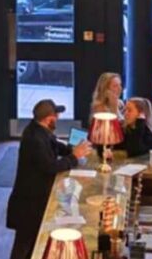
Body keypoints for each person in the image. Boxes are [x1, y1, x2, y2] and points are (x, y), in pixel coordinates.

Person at [7, 99, 91, 259]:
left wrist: (71, 150)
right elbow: (50, 166)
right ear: (49, 119)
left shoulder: (39, 129)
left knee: (29, 242)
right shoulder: (35, 140)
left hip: (33, 198)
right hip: (29, 203)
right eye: (56, 115)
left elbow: (56, 145)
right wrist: (74, 157)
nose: (58, 118)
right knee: (24, 244)